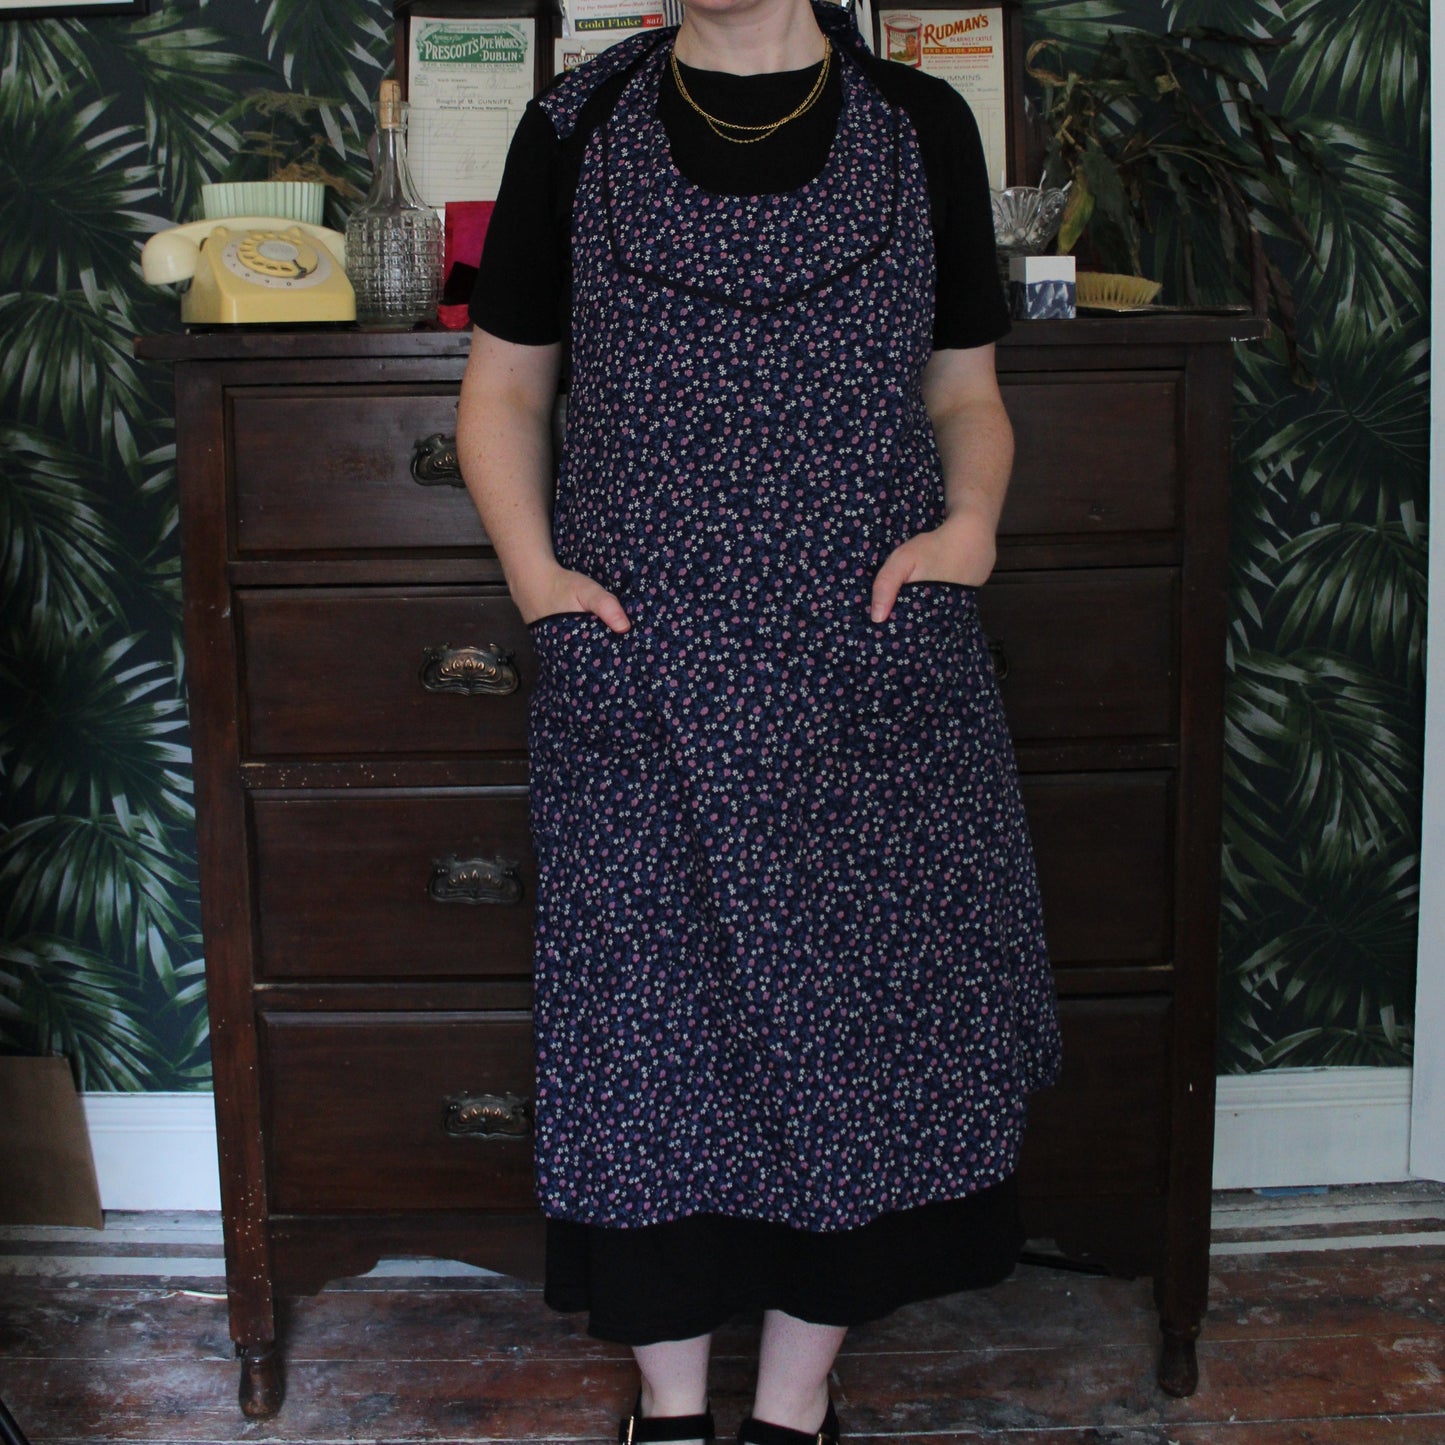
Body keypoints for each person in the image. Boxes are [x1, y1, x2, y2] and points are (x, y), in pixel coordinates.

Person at [455, 0, 1063, 1441]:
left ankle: (796, 1407)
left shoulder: (922, 128)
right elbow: (503, 389)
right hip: (641, 666)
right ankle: (668, 1416)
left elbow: (965, 391)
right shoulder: (571, 126)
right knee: (646, 1030)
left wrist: (968, 525)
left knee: (854, 1031)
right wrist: (541, 585)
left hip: (862, 664)